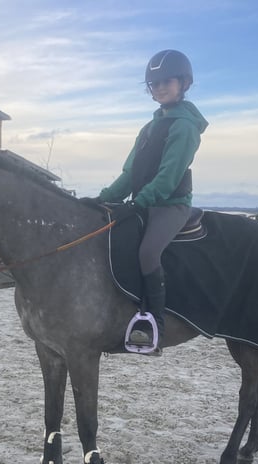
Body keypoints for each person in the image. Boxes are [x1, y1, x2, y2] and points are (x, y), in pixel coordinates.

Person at [87, 49, 209, 354]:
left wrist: (138, 203)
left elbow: (169, 177)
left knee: (148, 252)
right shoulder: (149, 128)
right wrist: (103, 199)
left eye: (167, 81)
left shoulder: (185, 126)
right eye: (154, 84)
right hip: (143, 202)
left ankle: (155, 324)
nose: (160, 88)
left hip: (170, 205)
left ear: (183, 83)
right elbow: (130, 173)